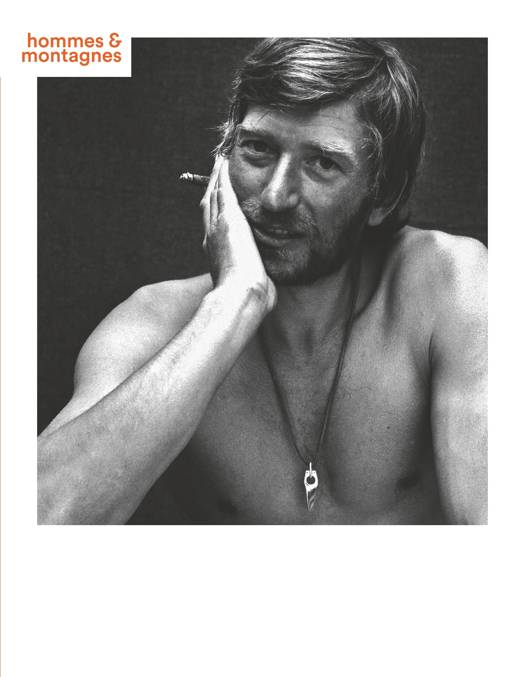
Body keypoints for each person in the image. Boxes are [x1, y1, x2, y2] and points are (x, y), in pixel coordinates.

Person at [38, 38, 487, 525]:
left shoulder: (450, 285)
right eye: (257, 148)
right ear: (221, 162)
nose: (275, 197)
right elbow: (37, 524)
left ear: (383, 195)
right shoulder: (155, 323)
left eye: (322, 163)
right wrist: (234, 301)